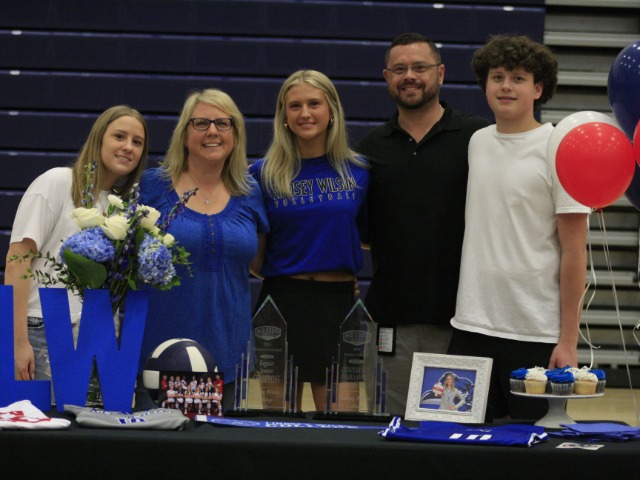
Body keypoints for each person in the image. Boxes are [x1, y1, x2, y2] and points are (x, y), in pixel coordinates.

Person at [447, 34, 590, 422]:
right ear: (485, 85)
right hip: (471, 325)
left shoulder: (559, 148)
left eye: (518, 78)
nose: (506, 86)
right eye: (497, 77)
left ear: (538, 88)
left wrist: (568, 340)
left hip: (534, 333)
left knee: (532, 445)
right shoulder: (477, 142)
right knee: (460, 444)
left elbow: (575, 253)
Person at [355, 33, 491, 416]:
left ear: (440, 74)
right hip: (389, 322)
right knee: (387, 430)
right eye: (399, 69)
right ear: (387, 77)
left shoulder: (477, 138)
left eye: (419, 67)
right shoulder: (370, 148)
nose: (409, 76)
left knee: (450, 434)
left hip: (461, 322)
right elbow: (361, 234)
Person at [135, 88, 269, 412]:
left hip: (228, 356)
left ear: (235, 135)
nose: (212, 131)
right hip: (159, 356)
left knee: (220, 445)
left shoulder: (250, 191)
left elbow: (262, 262)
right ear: (184, 134)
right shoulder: (152, 185)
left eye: (223, 123)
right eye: (201, 123)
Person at [249, 69, 369, 411]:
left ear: (331, 111)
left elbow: (370, 235)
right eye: (295, 106)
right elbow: (253, 253)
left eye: (314, 103)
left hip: (338, 305)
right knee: (279, 427)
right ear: (284, 117)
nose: (305, 113)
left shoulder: (359, 171)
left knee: (340, 425)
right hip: (281, 304)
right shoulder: (261, 174)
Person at [5, 105, 148, 386]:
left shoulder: (125, 208)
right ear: (98, 139)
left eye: (137, 142)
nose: (128, 147)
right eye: (119, 136)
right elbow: (17, 260)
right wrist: (17, 342)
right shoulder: (57, 182)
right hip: (41, 330)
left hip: (96, 338)